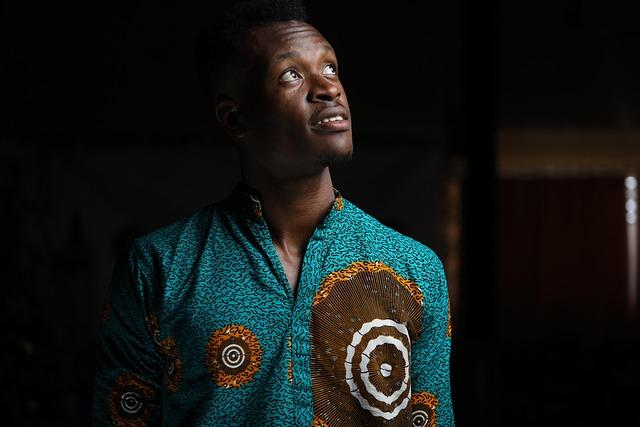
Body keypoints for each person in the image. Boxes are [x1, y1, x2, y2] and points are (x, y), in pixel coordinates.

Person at [92, 1, 455, 425]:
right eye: (291, 75)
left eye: (331, 68)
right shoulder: (158, 268)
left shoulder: (414, 269)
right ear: (235, 118)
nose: (328, 88)